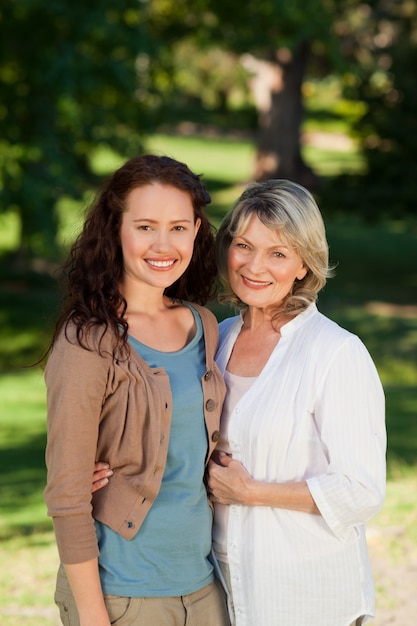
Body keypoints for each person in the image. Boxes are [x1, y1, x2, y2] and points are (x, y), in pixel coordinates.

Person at [43, 154, 230, 626]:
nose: (163, 244)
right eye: (145, 226)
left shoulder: (204, 325)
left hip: (205, 588)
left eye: (179, 227)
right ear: (115, 230)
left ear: (196, 231)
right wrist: (92, 616)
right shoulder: (87, 342)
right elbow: (67, 498)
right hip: (122, 596)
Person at [205, 178, 386, 626]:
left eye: (278, 253)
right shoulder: (215, 340)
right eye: (243, 245)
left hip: (306, 594)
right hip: (219, 583)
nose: (254, 266)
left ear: (304, 265)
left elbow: (362, 491)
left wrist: (251, 492)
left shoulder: (335, 353)